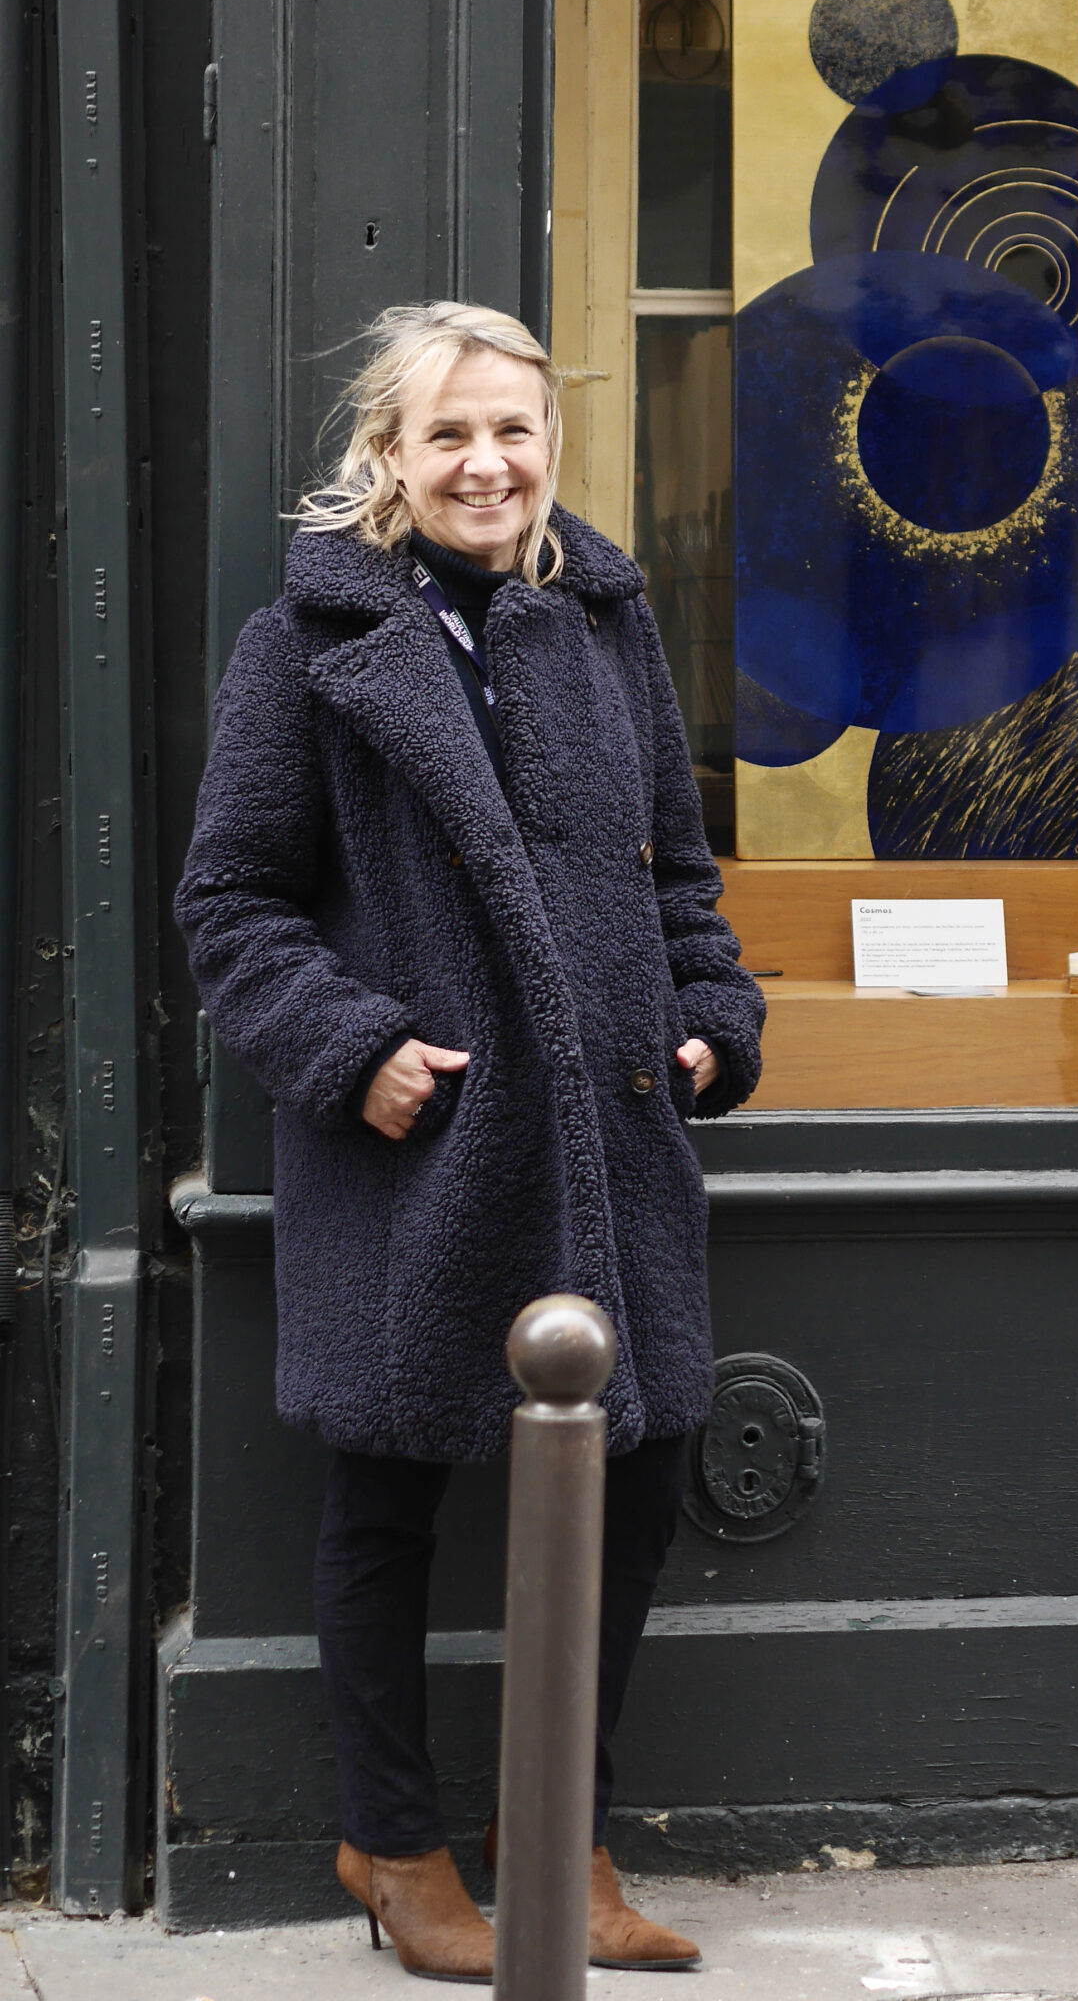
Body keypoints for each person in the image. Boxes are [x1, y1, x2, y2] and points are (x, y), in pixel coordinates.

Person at [176, 303, 765, 1983]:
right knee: (388, 1487)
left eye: (512, 431)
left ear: (548, 443)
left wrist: (715, 1019)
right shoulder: (304, 647)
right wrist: (353, 1050)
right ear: (388, 453)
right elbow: (229, 905)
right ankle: (394, 1839)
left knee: (634, 1482)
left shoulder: (602, 615)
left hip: (611, 1137)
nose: (486, 464)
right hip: (425, 1144)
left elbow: (677, 872)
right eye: (448, 435)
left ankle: (560, 1837)